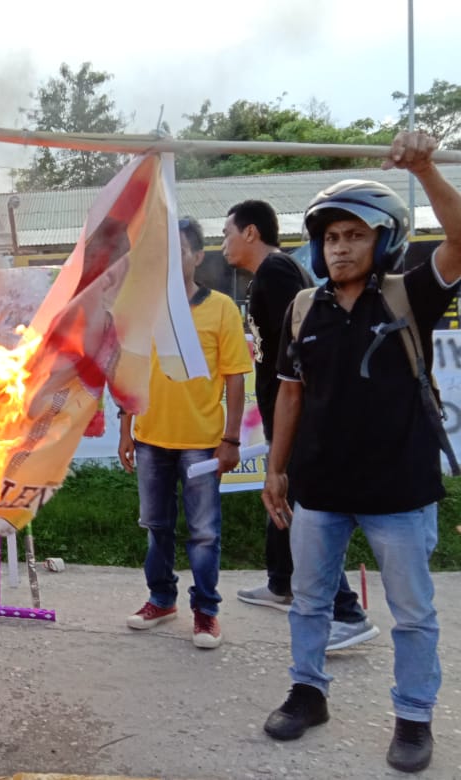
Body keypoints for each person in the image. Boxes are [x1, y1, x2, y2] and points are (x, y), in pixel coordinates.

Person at [261, 131, 461, 774]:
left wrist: (426, 168)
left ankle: (412, 717)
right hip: (319, 488)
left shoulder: (409, 294)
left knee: (411, 614)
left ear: (383, 241)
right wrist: (276, 470)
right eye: (330, 237)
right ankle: (307, 692)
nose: (339, 247)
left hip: (398, 491)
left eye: (354, 235)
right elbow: (290, 395)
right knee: (311, 601)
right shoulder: (303, 307)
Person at [223, 199, 378, 652]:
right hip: (282, 409)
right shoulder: (269, 276)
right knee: (281, 494)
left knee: (302, 504)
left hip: (298, 411)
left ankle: (346, 611)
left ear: (250, 232)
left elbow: (303, 349)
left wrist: (299, 411)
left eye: (229, 234)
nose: (225, 244)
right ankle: (281, 583)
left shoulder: (278, 273)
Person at [119, 217, 252, 649]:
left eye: (178, 251)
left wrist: (230, 440)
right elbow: (132, 372)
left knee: (204, 533)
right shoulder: (146, 308)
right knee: (156, 526)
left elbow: (235, 377)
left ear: (197, 257)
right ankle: (161, 599)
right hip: (151, 439)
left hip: (201, 443)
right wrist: (126, 429)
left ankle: (206, 611)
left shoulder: (221, 310)